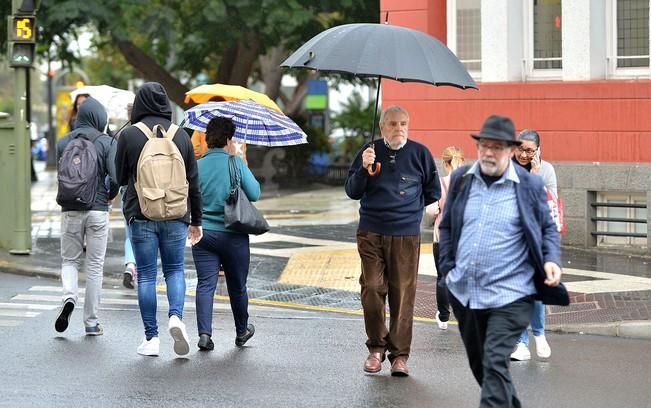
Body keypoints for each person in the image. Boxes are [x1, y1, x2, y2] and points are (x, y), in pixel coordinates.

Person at [438, 115, 564, 407]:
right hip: (467, 292)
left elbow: (548, 226)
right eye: (484, 145)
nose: (488, 152)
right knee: (483, 368)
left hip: (511, 295)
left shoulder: (529, 186)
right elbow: (447, 226)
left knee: (495, 360)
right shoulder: (461, 179)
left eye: (497, 147)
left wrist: (550, 259)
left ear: (510, 150)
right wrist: (447, 267)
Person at [344, 105, 440, 377]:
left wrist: (408, 209)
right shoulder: (369, 151)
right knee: (372, 288)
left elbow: (432, 192)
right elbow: (352, 191)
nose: (399, 129)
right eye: (393, 124)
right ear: (382, 127)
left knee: (403, 295)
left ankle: (399, 356)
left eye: (403, 124)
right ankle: (376, 348)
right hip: (371, 231)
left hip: (406, 234)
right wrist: (364, 169)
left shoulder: (420, 153)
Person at [115, 82, 203, 357]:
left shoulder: (129, 135)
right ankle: (175, 317)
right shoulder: (181, 136)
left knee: (146, 277)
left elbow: (119, 178)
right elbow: (194, 182)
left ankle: (151, 338)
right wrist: (196, 220)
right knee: (175, 270)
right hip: (177, 215)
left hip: (141, 214)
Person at [191, 117, 259, 351]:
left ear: (207, 139)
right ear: (229, 139)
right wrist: (241, 162)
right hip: (234, 235)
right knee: (237, 285)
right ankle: (241, 331)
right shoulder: (235, 163)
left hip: (202, 234)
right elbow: (255, 193)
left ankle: (204, 334)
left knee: (205, 284)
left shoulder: (196, 166)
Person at [54, 96, 119, 336]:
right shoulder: (106, 141)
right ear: (99, 118)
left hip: (70, 209)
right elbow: (116, 177)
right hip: (98, 210)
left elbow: (61, 176)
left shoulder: (63, 143)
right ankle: (91, 322)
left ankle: (69, 296)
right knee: (94, 266)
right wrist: (110, 195)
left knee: (69, 261)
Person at [510, 129, 558, 361]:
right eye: (520, 148)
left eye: (529, 150)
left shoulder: (546, 170)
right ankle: (521, 343)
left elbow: (548, 206)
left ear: (538, 150)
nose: (523, 154)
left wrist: (536, 175)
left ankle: (539, 333)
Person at [425, 146, 465, 330]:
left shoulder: (440, 183)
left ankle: (443, 316)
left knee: (442, 277)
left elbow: (431, 210)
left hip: (442, 237)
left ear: (445, 162)